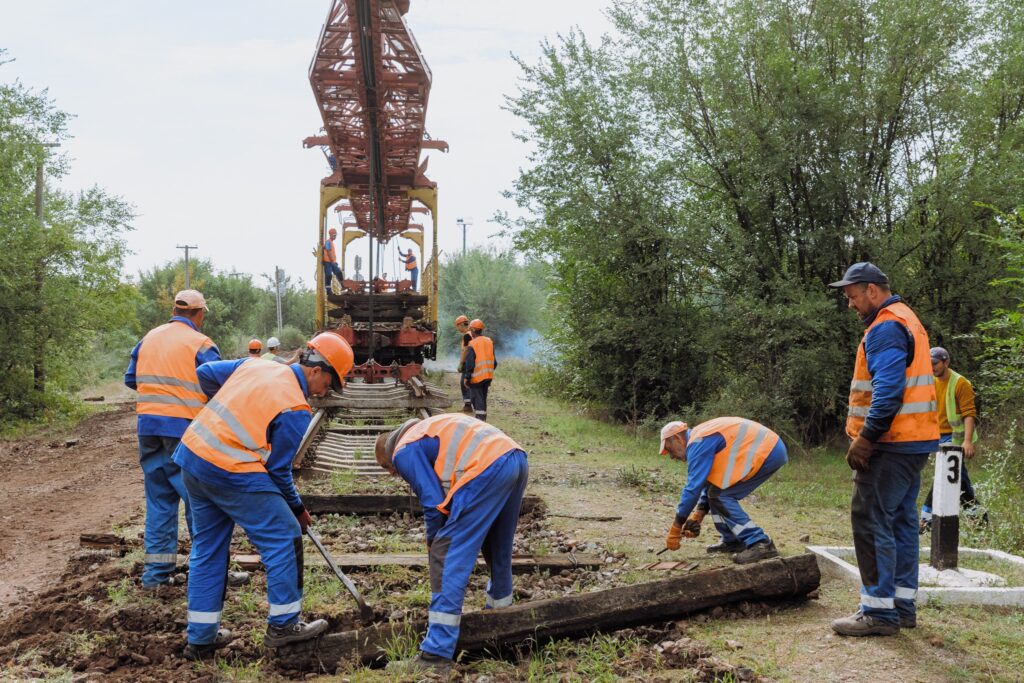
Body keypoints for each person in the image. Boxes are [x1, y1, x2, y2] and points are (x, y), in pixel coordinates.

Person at [172, 333, 355, 660]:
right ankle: (284, 625)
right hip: (228, 468)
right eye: (330, 382)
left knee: (208, 546)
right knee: (284, 534)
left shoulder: (258, 365)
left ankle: (200, 638)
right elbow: (279, 472)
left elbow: (205, 374)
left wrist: (234, 409)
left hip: (193, 457)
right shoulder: (296, 408)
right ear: (316, 369)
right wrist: (297, 510)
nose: (326, 391)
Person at [828, 262, 939, 637]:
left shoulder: (886, 327)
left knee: (872, 520)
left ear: (872, 291)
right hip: (915, 441)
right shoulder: (908, 318)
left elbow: (888, 391)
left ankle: (878, 611)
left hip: (890, 444)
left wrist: (865, 438)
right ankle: (902, 605)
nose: (850, 304)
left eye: (852, 296)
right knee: (902, 522)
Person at [374, 414, 529, 675]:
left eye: (388, 468)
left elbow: (434, 503)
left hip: (488, 466)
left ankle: (435, 655)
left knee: (446, 557)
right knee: (497, 551)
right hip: (515, 457)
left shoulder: (403, 450)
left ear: (390, 456)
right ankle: (502, 629)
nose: (393, 473)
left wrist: (434, 542)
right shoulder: (428, 430)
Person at [124, 289, 223, 590]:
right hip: (185, 430)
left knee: (160, 500)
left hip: (148, 428)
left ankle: (156, 576)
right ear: (200, 313)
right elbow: (219, 386)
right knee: (200, 502)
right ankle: (207, 574)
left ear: (175, 310)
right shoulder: (201, 344)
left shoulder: (149, 338)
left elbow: (131, 378)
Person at [659, 418, 787, 564]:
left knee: (721, 496)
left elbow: (692, 489)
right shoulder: (700, 438)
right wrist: (698, 516)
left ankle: (760, 543)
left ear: (677, 438)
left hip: (768, 451)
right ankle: (732, 540)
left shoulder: (698, 442)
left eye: (670, 449)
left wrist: (676, 528)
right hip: (770, 448)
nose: (672, 456)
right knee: (715, 493)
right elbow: (709, 483)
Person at [920, 346, 981, 532]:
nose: (931, 368)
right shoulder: (929, 380)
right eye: (928, 364)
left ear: (946, 362)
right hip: (937, 436)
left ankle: (925, 520)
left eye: (935, 364)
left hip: (956, 438)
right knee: (959, 480)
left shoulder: (960, 383)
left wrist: (967, 441)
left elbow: (969, 414)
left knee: (943, 476)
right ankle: (978, 518)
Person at [462, 319, 496, 422]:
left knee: (477, 399)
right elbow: (495, 362)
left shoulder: (472, 344)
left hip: (477, 377)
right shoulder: (489, 341)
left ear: (472, 329)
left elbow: (470, 364)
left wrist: (467, 378)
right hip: (488, 376)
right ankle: (482, 419)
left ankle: (480, 420)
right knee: (483, 397)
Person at [454, 315, 473, 414]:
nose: (457, 329)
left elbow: (465, 351)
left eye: (457, 327)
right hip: (473, 362)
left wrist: (461, 363)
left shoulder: (467, 335)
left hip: (468, 362)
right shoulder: (472, 333)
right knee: (470, 383)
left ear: (461, 325)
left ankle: (467, 406)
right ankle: (470, 405)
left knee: (464, 383)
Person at [323, 227, 343, 294]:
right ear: (331, 235)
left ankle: (343, 286)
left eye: (335, 235)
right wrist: (332, 260)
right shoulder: (328, 242)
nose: (335, 237)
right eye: (334, 235)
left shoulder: (331, 242)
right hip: (328, 262)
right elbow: (328, 251)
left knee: (338, 272)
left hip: (332, 262)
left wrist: (334, 262)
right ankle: (328, 291)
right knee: (328, 275)